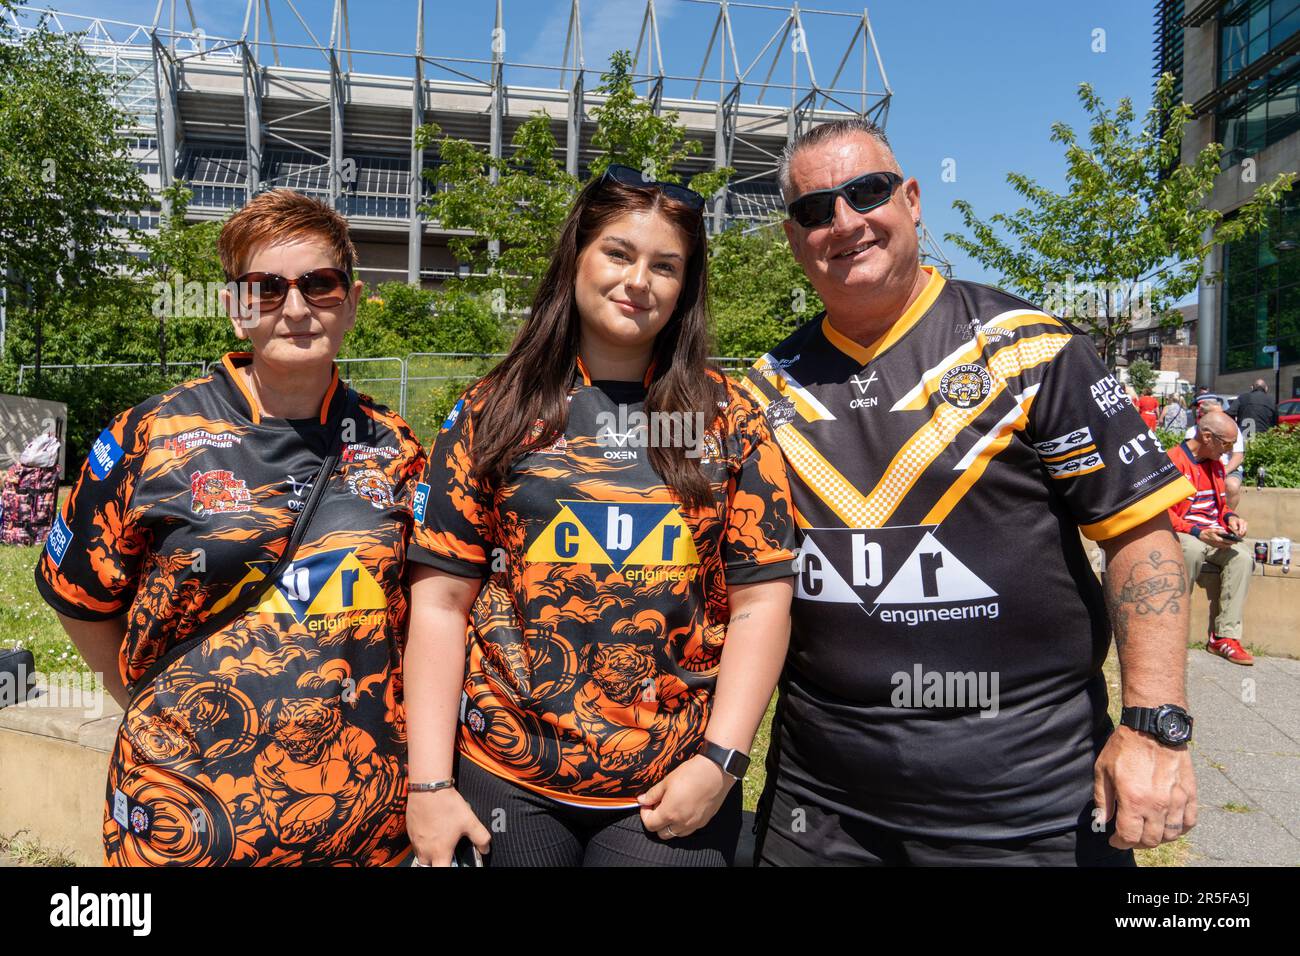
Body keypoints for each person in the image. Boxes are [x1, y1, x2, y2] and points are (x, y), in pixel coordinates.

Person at [748, 119, 1199, 866]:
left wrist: (1154, 725)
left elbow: (1140, 535)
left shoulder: (1033, 349)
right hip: (821, 813)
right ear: (795, 239)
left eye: (867, 192)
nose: (846, 222)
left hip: (1025, 810)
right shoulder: (765, 388)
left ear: (913, 199)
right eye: (815, 209)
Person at [403, 165, 798, 867]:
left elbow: (760, 603)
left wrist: (722, 761)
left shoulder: (730, 417)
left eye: (665, 266)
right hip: (507, 779)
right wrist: (429, 783)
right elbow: (440, 603)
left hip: (670, 788)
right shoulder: (493, 411)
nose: (638, 280)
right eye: (618, 253)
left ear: (685, 287)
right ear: (577, 258)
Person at [34, 189, 425, 866]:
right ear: (234, 306)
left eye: (320, 284)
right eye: (266, 288)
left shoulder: (396, 448)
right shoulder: (148, 435)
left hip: (360, 819)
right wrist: (144, 697)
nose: (296, 308)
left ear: (353, 300)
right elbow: (78, 598)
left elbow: (426, 615)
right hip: (183, 815)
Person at [1166, 410, 1254, 666]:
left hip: (1213, 533)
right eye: (1225, 444)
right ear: (1206, 436)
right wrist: (1197, 532)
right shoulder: (1173, 460)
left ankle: (1224, 637)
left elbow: (1221, 507)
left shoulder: (1215, 465)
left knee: (1242, 557)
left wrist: (1231, 519)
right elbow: (1162, 512)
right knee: (1192, 550)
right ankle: (1172, 630)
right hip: (1185, 532)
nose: (1228, 452)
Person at [1187, 401, 1245, 512]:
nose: (1223, 417)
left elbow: (1238, 456)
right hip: (1204, 468)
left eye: (1223, 413)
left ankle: (1227, 517)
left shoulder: (1232, 430)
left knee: (1231, 486)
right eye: (1217, 414)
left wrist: (1223, 472)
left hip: (1228, 469)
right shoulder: (1192, 432)